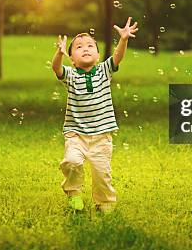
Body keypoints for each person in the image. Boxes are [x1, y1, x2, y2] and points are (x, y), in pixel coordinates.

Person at [52, 17, 138, 212]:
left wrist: (123, 39)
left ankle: (104, 202)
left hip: (101, 136)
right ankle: (74, 194)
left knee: (102, 173)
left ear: (98, 56)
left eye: (90, 45)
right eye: (79, 47)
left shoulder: (104, 71)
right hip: (76, 135)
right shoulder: (71, 75)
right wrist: (59, 53)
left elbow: (117, 57)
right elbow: (56, 68)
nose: (86, 48)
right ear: (72, 59)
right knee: (72, 162)